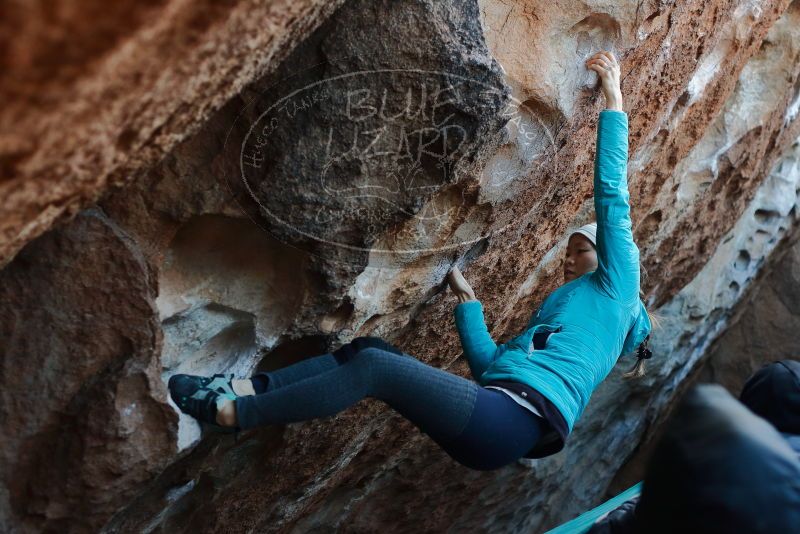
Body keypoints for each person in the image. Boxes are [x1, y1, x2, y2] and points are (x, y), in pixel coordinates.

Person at [167, 50, 651, 470]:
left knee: (375, 370)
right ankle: (246, 391)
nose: (568, 261)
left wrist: (614, 101)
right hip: (500, 411)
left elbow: (612, 195)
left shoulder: (619, 288)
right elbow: (490, 370)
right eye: (567, 253)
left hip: (513, 421)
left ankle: (232, 414)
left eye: (581, 251)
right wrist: (469, 306)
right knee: (367, 350)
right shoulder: (568, 315)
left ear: (607, 256)